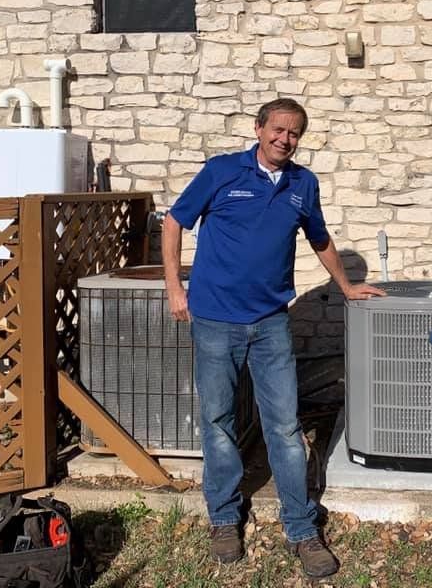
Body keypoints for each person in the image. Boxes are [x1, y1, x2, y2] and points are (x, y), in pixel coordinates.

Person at [162, 97, 385, 578]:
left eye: (295, 133)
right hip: (215, 321)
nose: (285, 139)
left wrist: (346, 287)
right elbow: (174, 221)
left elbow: (319, 237)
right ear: (259, 128)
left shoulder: (304, 184)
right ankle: (224, 518)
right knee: (219, 421)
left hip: (270, 325)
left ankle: (302, 529)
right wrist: (175, 288)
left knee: (284, 427)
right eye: (278, 130)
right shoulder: (222, 172)